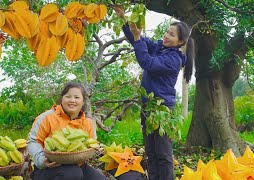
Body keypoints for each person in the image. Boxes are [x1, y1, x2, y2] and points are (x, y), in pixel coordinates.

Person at [114, 5, 195, 180]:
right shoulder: (160, 47)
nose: (166, 36)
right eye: (167, 32)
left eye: (171, 35)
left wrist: (137, 38)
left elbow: (147, 63)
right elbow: (139, 41)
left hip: (162, 111)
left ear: (181, 42)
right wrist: (123, 18)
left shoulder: (173, 59)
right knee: (151, 152)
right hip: (148, 107)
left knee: (163, 154)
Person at [27, 81, 107, 180]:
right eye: (68, 96)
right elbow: (33, 142)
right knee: (73, 173)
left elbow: (91, 144)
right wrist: (42, 161)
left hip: (79, 166)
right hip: (49, 168)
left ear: (83, 101)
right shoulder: (47, 117)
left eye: (77, 97)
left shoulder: (88, 122)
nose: (72, 100)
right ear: (62, 99)